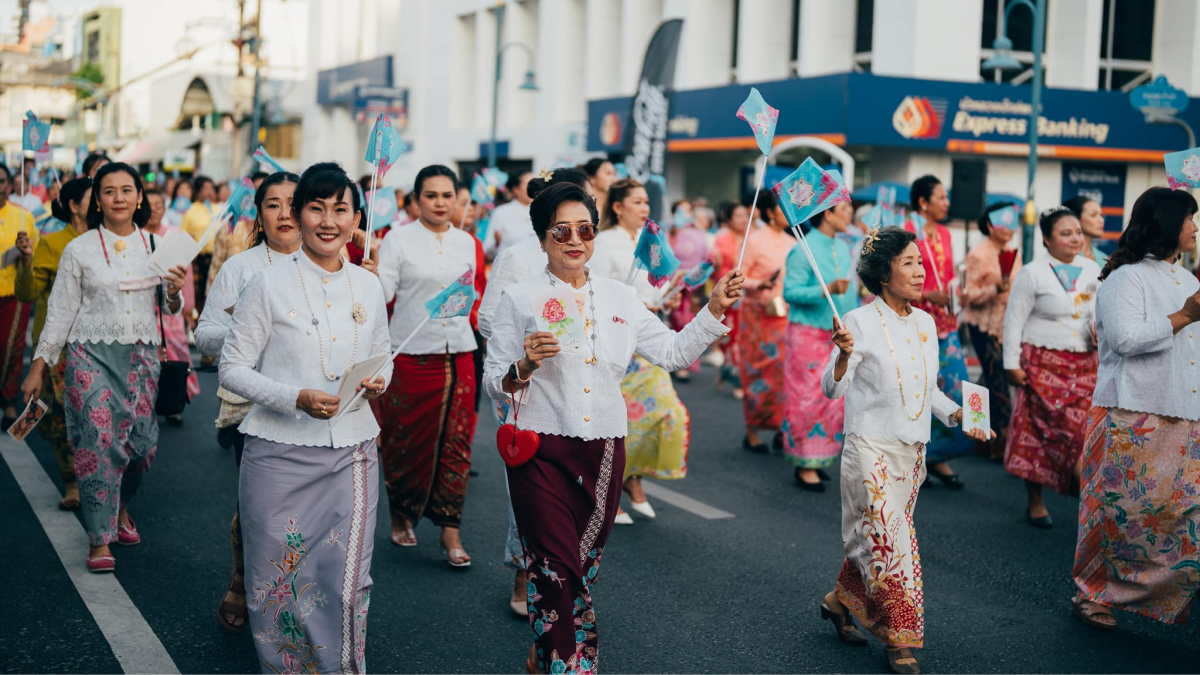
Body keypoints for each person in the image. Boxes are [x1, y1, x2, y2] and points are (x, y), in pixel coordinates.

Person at [484, 182, 743, 674]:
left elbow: (673, 353)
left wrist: (713, 310)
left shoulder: (622, 297)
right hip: (540, 450)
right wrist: (524, 366)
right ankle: (573, 665)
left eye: (585, 229)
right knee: (555, 569)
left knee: (579, 569)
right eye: (561, 230)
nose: (574, 239)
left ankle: (545, 651)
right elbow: (495, 384)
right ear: (542, 238)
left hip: (603, 450)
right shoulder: (520, 299)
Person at [219, 162, 390, 673]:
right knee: (276, 583)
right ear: (298, 213)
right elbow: (231, 368)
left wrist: (382, 380)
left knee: (346, 578)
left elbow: (384, 354)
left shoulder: (369, 286)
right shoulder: (267, 284)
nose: (329, 220)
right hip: (276, 455)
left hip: (354, 453)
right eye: (317, 208)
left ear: (357, 217)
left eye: (341, 209)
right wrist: (295, 397)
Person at [820, 226, 991, 675]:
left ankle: (838, 603)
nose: (921, 272)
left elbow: (927, 389)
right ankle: (900, 640)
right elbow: (831, 390)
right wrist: (841, 358)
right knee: (893, 545)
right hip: (869, 448)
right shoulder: (856, 321)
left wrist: (959, 416)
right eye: (909, 263)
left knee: (875, 539)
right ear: (883, 274)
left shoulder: (926, 322)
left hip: (911, 451)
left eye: (921, 262)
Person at [20, 162, 187, 573]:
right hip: (88, 356)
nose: (118, 198)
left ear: (139, 197)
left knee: (142, 446)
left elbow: (170, 309)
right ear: (97, 199)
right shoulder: (80, 248)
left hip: (143, 359)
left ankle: (120, 505)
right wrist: (38, 368)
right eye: (109, 191)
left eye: (126, 190)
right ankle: (99, 539)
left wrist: (173, 291)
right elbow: (59, 312)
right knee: (97, 442)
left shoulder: (157, 245)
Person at [1072, 186, 1200, 631]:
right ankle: (1093, 593)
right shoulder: (1124, 278)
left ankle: (1162, 596)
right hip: (1131, 413)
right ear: (1167, 224)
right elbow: (1126, 341)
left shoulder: (1189, 281)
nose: (1196, 227)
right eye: (1190, 218)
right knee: (1113, 513)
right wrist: (1185, 316)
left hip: (1184, 410)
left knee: (1176, 515)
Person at [478, 167, 593, 616]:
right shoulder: (517, 257)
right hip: (523, 388)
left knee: (573, 491)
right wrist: (528, 343)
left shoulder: (585, 254)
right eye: (562, 222)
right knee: (527, 485)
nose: (574, 231)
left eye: (582, 219)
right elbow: (489, 318)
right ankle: (526, 570)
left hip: (576, 391)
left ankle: (566, 577)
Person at [195, 170, 300, 635]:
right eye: (273, 203)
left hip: (317, 408)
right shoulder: (241, 268)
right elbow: (205, 337)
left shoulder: (336, 265)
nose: (285, 213)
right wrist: (252, 331)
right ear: (258, 213)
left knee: (310, 511)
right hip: (252, 406)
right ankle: (245, 577)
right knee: (260, 506)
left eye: (295, 202)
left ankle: (299, 593)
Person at [376, 165, 480, 566]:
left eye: (446, 196)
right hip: (409, 351)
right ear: (416, 200)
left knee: (457, 443)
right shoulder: (396, 239)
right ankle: (401, 513)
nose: (439, 203)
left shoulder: (468, 242)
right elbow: (383, 291)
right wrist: (367, 276)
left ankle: (449, 530)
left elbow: (471, 296)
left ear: (457, 200)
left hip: (459, 354)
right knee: (406, 441)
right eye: (431, 195)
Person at [592, 178, 687, 523]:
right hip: (619, 340)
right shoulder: (603, 243)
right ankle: (612, 492)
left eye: (647, 202)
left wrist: (664, 300)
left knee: (663, 413)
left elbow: (651, 292)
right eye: (637, 202)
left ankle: (633, 479)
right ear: (617, 207)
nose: (645, 208)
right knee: (619, 421)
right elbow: (601, 292)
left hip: (647, 338)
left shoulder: (651, 241)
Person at [1002, 206, 1100, 528]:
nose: (1075, 239)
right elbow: (1013, 321)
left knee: (1081, 434)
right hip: (1040, 366)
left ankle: (1093, 506)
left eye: (1077, 233)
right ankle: (1036, 501)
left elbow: (1098, 313)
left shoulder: (1092, 268)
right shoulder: (1032, 272)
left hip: (1085, 364)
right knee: (1037, 433)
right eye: (1065, 233)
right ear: (1046, 238)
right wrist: (1011, 364)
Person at [14, 176, 91, 510]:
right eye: (95, 196)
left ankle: (97, 479)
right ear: (74, 206)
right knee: (57, 418)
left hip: (94, 347)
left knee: (91, 416)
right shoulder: (52, 242)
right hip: (56, 347)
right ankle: (71, 482)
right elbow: (27, 293)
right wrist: (27, 260)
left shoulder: (109, 241)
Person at [781, 200, 858, 491]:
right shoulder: (803, 248)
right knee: (807, 396)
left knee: (832, 395)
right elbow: (790, 291)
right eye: (844, 210)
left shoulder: (842, 246)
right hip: (807, 333)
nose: (849, 216)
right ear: (827, 213)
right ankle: (804, 461)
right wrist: (827, 286)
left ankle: (821, 456)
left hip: (836, 332)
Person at [907, 175, 971, 487]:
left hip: (946, 322)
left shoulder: (945, 233)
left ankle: (940, 456)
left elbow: (947, 274)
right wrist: (927, 294)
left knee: (954, 386)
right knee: (920, 388)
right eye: (941, 198)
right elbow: (897, 275)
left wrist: (958, 294)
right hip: (917, 318)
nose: (947, 203)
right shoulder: (907, 230)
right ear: (923, 202)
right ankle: (918, 457)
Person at [961, 202, 1023, 460]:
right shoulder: (978, 254)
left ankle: (978, 434)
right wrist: (994, 289)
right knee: (997, 376)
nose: (1009, 229)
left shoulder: (1013, 253)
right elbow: (967, 295)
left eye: (1012, 223)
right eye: (1003, 223)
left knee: (987, 379)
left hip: (1005, 323)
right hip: (982, 323)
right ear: (989, 225)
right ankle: (1002, 437)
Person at [736, 188, 791, 453]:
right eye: (783, 208)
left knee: (785, 374)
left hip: (786, 317)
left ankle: (783, 428)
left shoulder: (794, 242)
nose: (788, 213)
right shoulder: (754, 240)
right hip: (757, 317)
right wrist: (762, 283)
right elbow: (738, 276)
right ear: (770, 213)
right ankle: (751, 429)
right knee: (757, 371)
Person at [139, 187, 199, 425]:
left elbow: (188, 275)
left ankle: (174, 402)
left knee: (175, 353)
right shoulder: (136, 237)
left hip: (171, 307)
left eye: (159, 207)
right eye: (149, 207)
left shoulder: (175, 235)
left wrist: (189, 309)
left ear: (165, 208)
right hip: (145, 308)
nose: (154, 212)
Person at [0, 163, 38, 428]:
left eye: (1, 181)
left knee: (11, 348)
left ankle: (10, 402)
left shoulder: (23, 217)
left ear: (9, 185)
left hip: (13, 292)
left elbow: (33, 255)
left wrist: (23, 252)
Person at [668, 198, 711, 382]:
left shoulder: (697, 233)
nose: (685, 214)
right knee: (678, 320)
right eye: (681, 210)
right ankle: (676, 360)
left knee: (690, 321)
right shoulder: (669, 233)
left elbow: (705, 256)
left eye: (688, 210)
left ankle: (685, 361)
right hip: (673, 284)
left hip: (693, 284)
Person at [712, 201, 749, 399]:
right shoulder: (721, 239)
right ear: (729, 219)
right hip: (727, 295)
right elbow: (714, 267)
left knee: (742, 339)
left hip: (748, 296)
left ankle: (732, 374)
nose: (744, 219)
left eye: (746, 215)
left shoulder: (751, 238)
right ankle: (734, 376)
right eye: (739, 216)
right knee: (730, 338)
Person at [181, 175, 219, 320]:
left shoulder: (219, 209)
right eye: (205, 188)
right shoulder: (190, 211)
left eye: (211, 188)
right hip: (199, 260)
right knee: (201, 292)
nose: (209, 191)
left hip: (218, 257)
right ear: (198, 191)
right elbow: (184, 234)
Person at [484, 170, 533, 259]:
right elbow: (487, 248)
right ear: (516, 189)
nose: (534, 188)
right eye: (529, 184)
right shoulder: (501, 212)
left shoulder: (542, 211)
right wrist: (496, 242)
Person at [1064, 195, 1109, 268]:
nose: (1101, 220)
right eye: (1093, 215)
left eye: (1101, 215)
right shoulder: (1065, 256)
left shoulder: (1103, 258)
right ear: (1075, 218)